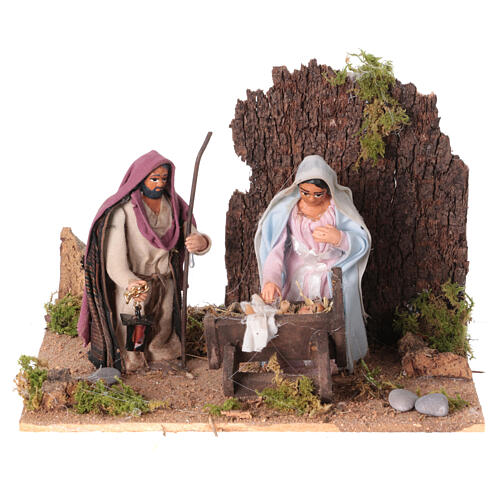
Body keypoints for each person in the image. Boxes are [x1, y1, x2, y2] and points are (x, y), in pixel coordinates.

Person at [77, 150, 210, 372]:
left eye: (164, 179)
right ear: (141, 178)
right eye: (154, 179)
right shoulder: (122, 212)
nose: (160, 184)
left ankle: (162, 355)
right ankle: (132, 361)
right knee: (132, 326)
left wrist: (201, 241)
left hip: (164, 281)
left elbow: (189, 230)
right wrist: (130, 282)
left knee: (163, 323)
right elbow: (114, 260)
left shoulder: (173, 206)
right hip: (135, 285)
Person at [254, 154, 371, 372]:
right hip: (297, 276)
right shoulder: (288, 211)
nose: (311, 198)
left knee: (329, 316)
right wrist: (271, 279)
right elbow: (276, 249)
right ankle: (293, 358)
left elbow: (361, 241)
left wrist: (340, 238)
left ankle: (333, 358)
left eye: (318, 194)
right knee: (294, 315)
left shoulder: (338, 209)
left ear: (328, 190)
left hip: (329, 274)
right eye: (305, 192)